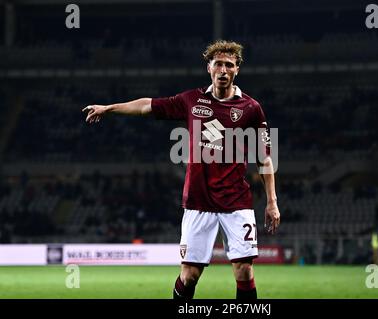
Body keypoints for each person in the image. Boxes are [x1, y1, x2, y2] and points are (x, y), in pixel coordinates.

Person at [82, 40, 281, 300]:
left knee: (243, 269)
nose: (223, 70)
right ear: (208, 67)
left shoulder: (251, 108)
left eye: (229, 65)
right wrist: (109, 108)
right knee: (189, 276)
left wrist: (272, 202)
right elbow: (146, 105)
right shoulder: (191, 100)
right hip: (198, 201)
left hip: (236, 202)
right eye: (218, 64)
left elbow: (265, 158)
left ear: (237, 70)